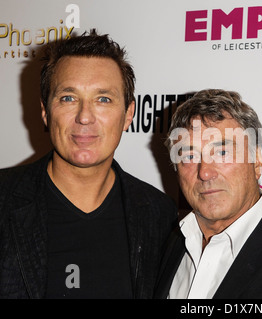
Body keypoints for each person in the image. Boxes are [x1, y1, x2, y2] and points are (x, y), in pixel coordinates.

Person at [0, 30, 177, 299]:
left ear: (128, 114)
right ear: (46, 112)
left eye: (103, 99)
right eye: (68, 98)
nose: (84, 117)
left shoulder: (159, 215)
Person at [154, 89, 262, 299]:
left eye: (222, 152)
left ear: (257, 161)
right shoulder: (168, 243)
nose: (205, 172)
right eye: (189, 155)